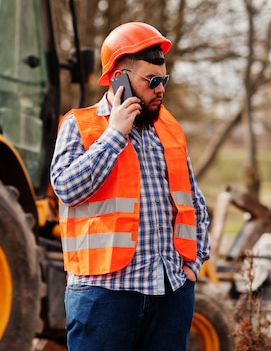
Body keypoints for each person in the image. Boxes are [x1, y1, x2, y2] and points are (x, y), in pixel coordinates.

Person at [50, 21, 211, 351]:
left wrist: (193, 265)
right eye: (152, 81)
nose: (161, 89)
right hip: (104, 297)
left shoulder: (168, 127)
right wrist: (114, 136)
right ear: (117, 78)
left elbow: (194, 202)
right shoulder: (80, 125)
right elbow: (66, 188)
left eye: (163, 79)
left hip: (170, 294)